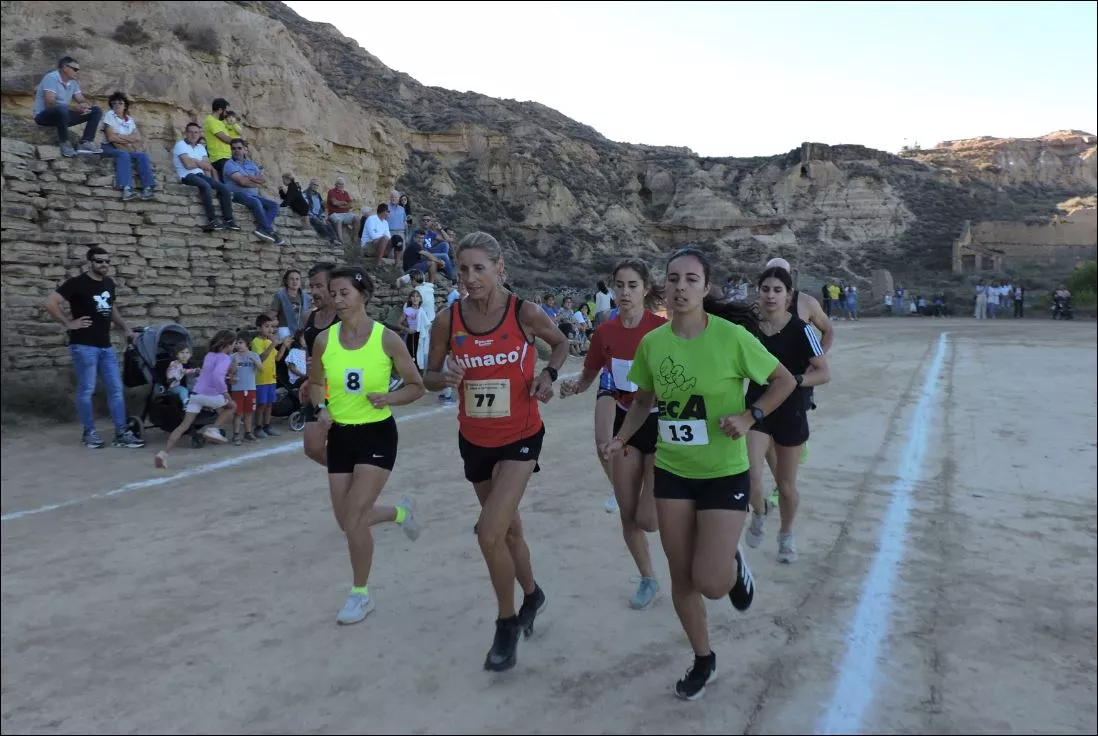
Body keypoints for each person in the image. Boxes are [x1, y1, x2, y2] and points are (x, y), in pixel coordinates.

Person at [606, 247, 797, 700]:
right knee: (683, 578)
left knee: (712, 582)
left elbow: (784, 381)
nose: (680, 287)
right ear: (663, 287)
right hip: (672, 471)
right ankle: (703, 658)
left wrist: (751, 416)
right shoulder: (654, 343)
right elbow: (642, 400)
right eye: (673, 278)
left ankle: (731, 561)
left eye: (691, 279)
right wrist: (624, 438)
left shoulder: (731, 337)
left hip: (724, 473)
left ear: (706, 287)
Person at [424, 231, 570, 672]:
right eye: (463, 269)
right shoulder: (448, 320)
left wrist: (548, 375)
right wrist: (444, 377)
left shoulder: (523, 312)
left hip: (521, 436)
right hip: (475, 440)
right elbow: (426, 376)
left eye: (479, 268)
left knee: (488, 532)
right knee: (508, 533)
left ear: (499, 267)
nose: (470, 278)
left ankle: (506, 623)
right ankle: (533, 594)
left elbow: (561, 343)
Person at [305, 266, 425, 625]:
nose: (337, 299)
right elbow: (314, 382)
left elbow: (416, 385)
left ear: (363, 296)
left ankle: (360, 595)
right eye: (333, 293)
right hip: (340, 435)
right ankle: (400, 513)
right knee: (346, 521)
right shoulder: (324, 340)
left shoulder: (387, 339)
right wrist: (321, 408)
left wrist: (389, 398)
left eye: (344, 293)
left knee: (355, 518)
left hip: (377, 435)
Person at [559, 258, 666, 609]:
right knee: (628, 512)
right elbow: (591, 374)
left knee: (649, 519)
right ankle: (648, 578)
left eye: (633, 285)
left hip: (659, 426)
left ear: (646, 289)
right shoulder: (605, 331)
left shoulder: (661, 330)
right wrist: (575, 385)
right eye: (619, 285)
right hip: (625, 427)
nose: (625, 292)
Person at [743, 267, 829, 563]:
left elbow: (823, 372)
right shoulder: (749, 329)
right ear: (758, 292)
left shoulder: (802, 330)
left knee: (786, 484)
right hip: (756, 410)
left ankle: (786, 533)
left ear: (788, 296)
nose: (770, 295)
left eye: (777, 290)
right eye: (765, 289)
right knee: (752, 474)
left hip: (791, 412)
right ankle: (758, 512)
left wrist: (794, 380)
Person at [45, 246, 145, 449]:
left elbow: (111, 307)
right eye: (99, 261)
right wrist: (68, 323)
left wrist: (125, 327)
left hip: (105, 346)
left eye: (107, 261)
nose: (104, 265)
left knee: (116, 389)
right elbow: (51, 302)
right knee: (87, 390)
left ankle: (121, 433)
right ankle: (89, 433)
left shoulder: (108, 283)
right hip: (83, 346)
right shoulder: (77, 283)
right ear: (90, 262)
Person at [154, 330, 239, 468]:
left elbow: (209, 374)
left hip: (196, 394)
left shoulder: (209, 355)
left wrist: (226, 378)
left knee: (183, 426)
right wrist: (226, 393)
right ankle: (214, 429)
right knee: (232, 406)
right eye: (233, 344)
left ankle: (163, 454)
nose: (233, 347)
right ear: (228, 344)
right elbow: (217, 377)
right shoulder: (225, 358)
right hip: (211, 395)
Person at [301, 262, 340, 466]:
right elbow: (309, 353)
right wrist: (309, 379)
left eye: (318, 286)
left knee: (346, 442)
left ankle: (352, 479)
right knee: (313, 447)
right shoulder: (309, 316)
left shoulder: (345, 317)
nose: (314, 292)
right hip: (318, 389)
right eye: (311, 287)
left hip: (342, 389)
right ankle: (345, 470)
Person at [32, 56, 102, 157]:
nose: (77, 72)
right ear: (65, 67)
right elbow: (50, 104)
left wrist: (84, 106)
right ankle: (64, 143)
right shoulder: (51, 78)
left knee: (96, 110)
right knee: (62, 108)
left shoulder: (73, 82)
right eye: (75, 69)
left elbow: (80, 99)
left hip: (63, 117)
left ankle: (86, 142)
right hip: (43, 117)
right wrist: (73, 108)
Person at [100, 91, 156, 200]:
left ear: (125, 105)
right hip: (108, 147)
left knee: (142, 156)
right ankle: (127, 189)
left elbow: (138, 137)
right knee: (123, 154)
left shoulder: (129, 120)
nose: (117, 105)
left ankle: (148, 188)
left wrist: (119, 136)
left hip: (126, 147)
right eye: (114, 103)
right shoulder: (110, 115)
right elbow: (111, 138)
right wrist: (129, 138)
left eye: (120, 103)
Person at [251, 314, 290, 438]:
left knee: (269, 404)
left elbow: (277, 358)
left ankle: (267, 426)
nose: (270, 329)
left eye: (271, 327)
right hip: (260, 380)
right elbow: (261, 358)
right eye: (266, 326)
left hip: (271, 378)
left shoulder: (269, 341)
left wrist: (284, 345)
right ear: (258, 328)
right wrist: (273, 344)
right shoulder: (256, 342)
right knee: (261, 404)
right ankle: (258, 427)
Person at [269, 269, 312, 341]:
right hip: (285, 330)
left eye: (297, 279)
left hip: (302, 331)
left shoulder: (306, 297)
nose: (295, 281)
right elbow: (272, 314)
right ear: (286, 281)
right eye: (291, 279)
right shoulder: (280, 296)